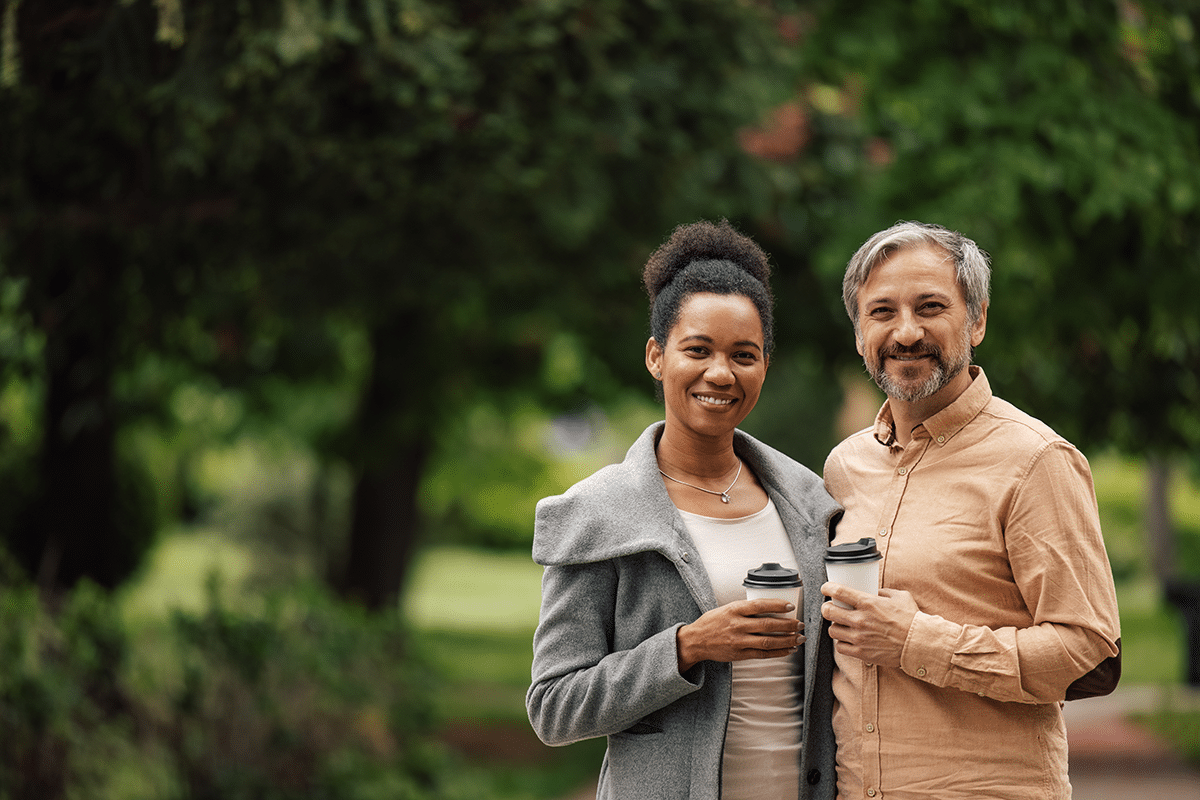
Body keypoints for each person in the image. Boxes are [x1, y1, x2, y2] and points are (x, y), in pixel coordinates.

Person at [526, 220, 842, 800]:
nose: (720, 373)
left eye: (743, 355)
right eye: (698, 350)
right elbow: (554, 707)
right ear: (656, 355)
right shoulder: (599, 514)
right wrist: (687, 646)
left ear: (764, 365)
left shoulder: (810, 501)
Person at [820, 221, 1122, 800]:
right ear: (859, 333)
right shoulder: (844, 467)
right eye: (881, 312)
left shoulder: (1035, 461)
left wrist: (915, 640)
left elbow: (1087, 649)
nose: (906, 332)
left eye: (930, 306)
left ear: (977, 319)